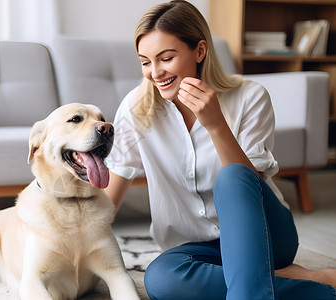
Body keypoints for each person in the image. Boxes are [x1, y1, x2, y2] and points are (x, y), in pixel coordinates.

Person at [104, 1, 336, 299]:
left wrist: (215, 125)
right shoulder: (137, 108)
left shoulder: (250, 97)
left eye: (166, 58)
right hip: (194, 247)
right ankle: (306, 281)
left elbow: (248, 184)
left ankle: (255, 285)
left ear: (199, 51)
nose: (155, 72)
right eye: (145, 61)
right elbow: (111, 195)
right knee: (161, 279)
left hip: (265, 235)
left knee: (232, 177)